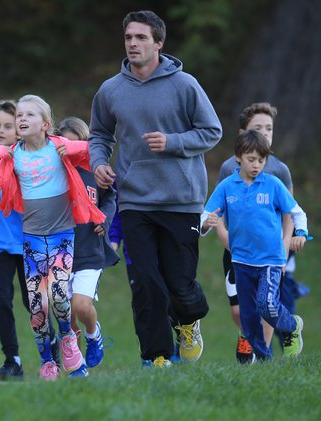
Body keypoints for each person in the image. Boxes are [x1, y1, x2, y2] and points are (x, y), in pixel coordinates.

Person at [88, 10, 222, 367]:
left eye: (141, 37)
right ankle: (157, 357)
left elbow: (211, 131)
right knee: (146, 283)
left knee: (179, 285)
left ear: (159, 43)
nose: (133, 43)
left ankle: (189, 320)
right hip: (134, 200)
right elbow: (99, 135)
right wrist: (99, 163)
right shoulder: (111, 90)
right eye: (129, 37)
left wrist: (173, 141)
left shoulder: (185, 85)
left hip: (181, 199)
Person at [0, 95, 105, 380]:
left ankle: (69, 341)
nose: (21, 119)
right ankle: (47, 361)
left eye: (29, 115)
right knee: (37, 307)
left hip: (61, 234)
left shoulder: (59, 147)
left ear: (46, 124)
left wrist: (74, 154)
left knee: (60, 298)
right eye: (19, 115)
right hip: (32, 238)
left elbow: (95, 150)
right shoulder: (13, 156)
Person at [0, 99, 59, 380]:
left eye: (8, 125)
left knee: (33, 303)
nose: (1, 130)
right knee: (1, 301)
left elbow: (24, 197)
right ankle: (12, 360)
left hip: (29, 241)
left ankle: (53, 344)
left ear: (20, 128)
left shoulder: (27, 157)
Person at [201, 129, 308, 361]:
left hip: (271, 258)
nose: (257, 165)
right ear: (238, 157)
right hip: (240, 260)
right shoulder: (227, 186)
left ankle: (291, 325)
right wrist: (205, 224)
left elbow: (297, 212)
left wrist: (300, 233)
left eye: (262, 160)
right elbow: (206, 214)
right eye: (251, 159)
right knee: (248, 320)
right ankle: (264, 361)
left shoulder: (273, 184)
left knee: (267, 305)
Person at [57, 117, 119, 370]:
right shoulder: (55, 174)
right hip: (61, 251)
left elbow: (110, 199)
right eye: (65, 145)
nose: (70, 150)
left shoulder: (95, 172)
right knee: (67, 316)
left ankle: (94, 335)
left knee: (82, 306)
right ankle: (77, 365)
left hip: (90, 251)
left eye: (76, 144)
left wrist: (104, 219)